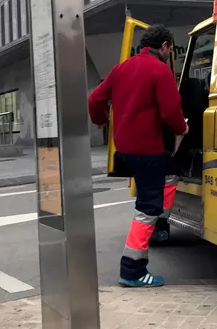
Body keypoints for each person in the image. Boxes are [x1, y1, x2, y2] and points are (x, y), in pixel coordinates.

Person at [88, 24, 188, 288]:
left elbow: (94, 100)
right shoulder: (160, 71)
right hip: (148, 152)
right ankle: (132, 270)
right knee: (146, 209)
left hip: (125, 151)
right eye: (169, 49)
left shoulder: (121, 68)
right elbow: (171, 113)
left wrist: (101, 122)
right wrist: (182, 128)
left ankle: (159, 219)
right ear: (165, 46)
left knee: (173, 168)